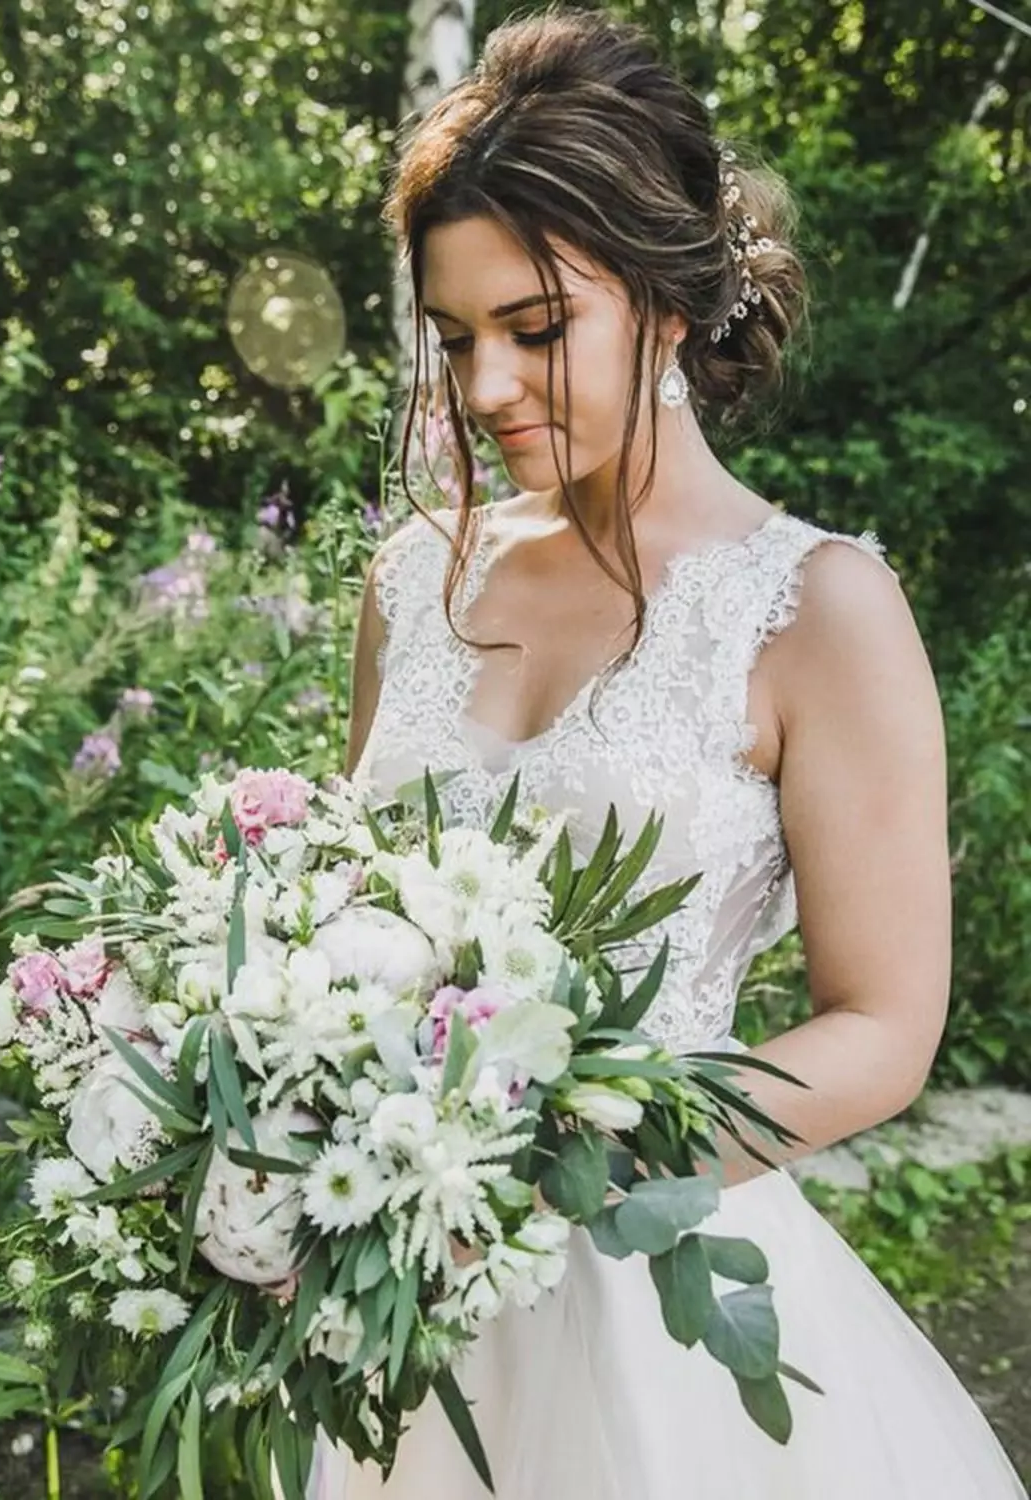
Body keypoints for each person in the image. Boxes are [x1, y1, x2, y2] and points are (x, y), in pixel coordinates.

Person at [314, 7, 1027, 1497]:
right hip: (394, 1307)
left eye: (535, 328)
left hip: (652, 1297)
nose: (485, 391)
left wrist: (572, 1177)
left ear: (672, 301)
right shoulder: (411, 581)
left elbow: (885, 1027)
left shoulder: (818, 609)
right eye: (455, 340)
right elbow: (339, 920)